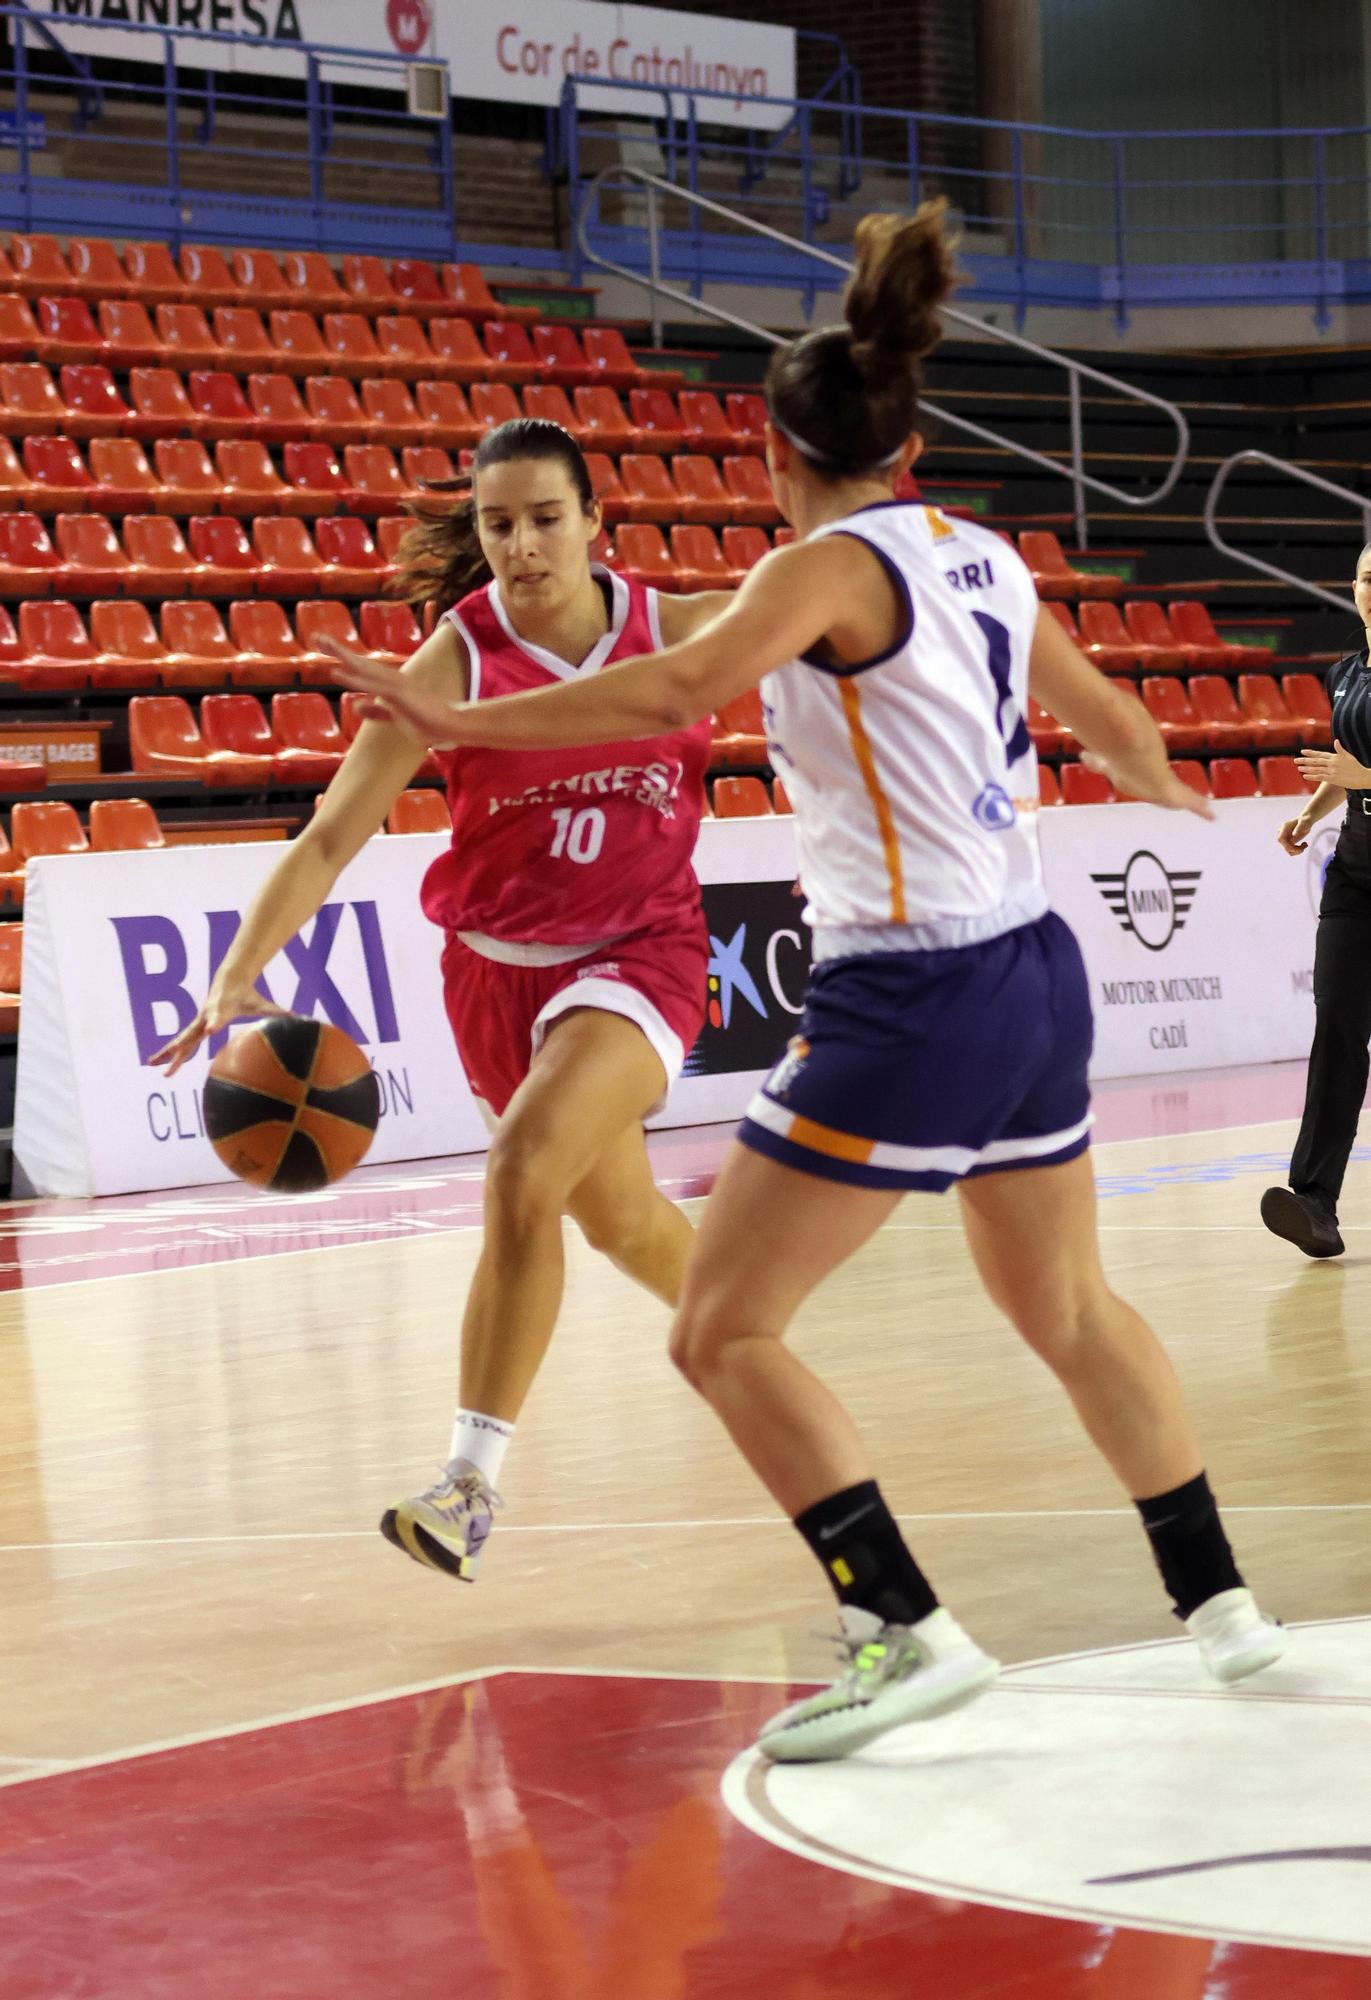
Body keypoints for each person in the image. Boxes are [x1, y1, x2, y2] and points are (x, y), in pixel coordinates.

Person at [328, 204, 1285, 1764]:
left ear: (775, 455)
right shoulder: (978, 554)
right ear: (900, 441)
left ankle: (897, 1625)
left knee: (719, 1330)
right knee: (1060, 1302)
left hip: (911, 993)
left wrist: (459, 725)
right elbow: (1108, 712)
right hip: (1038, 968)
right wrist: (1166, 792)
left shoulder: (817, 569)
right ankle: (1220, 1606)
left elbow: (671, 687)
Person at [153, 418, 735, 1584]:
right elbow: (328, 839)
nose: (522, 545)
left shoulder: (679, 629)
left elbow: (834, 617)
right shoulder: (452, 663)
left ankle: (468, 1482)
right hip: (490, 978)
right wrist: (234, 970)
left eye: (544, 519)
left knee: (522, 1165)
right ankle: (747, 1335)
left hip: (640, 952)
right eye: (498, 522)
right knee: (611, 1215)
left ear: (594, 522)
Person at [1263, 541, 1371, 1258]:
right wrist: (1308, 812)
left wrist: (1361, 775)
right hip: (1356, 874)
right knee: (1335, 1029)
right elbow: (1347, 768)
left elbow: (1362, 770)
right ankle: (1313, 1202)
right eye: (1369, 577)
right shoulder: (1344, 674)